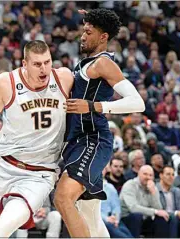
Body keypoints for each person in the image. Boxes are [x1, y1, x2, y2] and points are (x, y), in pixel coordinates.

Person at [0, 40, 73, 237]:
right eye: (37, 64)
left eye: (47, 62)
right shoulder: (7, 82)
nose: (44, 69)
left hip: (41, 172)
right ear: (24, 64)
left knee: (4, 227)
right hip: (3, 166)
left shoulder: (64, 78)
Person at [54, 9, 145, 237]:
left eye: (88, 31)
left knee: (63, 198)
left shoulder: (104, 64)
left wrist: (95, 106)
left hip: (93, 140)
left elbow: (137, 102)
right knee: (89, 214)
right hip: (77, 142)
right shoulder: (86, 63)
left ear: (103, 37)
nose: (82, 36)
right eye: (83, 31)